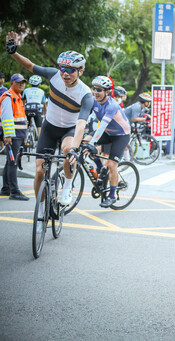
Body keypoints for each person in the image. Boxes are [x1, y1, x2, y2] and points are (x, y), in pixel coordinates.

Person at [6, 31, 94, 209]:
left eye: (70, 70)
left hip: (69, 130)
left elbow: (81, 125)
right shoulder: (54, 75)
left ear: (81, 71)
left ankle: (67, 188)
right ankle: (41, 211)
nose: (65, 74)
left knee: (68, 151)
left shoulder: (86, 95)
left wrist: (75, 149)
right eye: (63, 68)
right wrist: (13, 52)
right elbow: (30, 66)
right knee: (39, 172)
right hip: (49, 128)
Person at [85, 76, 131, 207]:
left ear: (107, 92)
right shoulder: (94, 101)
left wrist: (92, 143)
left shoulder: (112, 105)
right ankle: (101, 170)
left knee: (111, 164)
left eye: (99, 90)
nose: (95, 92)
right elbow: (83, 117)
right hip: (107, 132)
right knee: (84, 141)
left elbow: (102, 127)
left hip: (121, 135)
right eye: (94, 89)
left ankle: (112, 196)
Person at [0, 73, 29, 200]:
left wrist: (24, 135)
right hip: (13, 136)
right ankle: (14, 191)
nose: (22, 84)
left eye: (23, 82)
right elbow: (6, 117)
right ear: (12, 83)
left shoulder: (17, 97)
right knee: (13, 162)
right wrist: (8, 135)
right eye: (18, 82)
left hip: (18, 135)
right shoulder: (8, 97)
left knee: (9, 162)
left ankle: (6, 188)